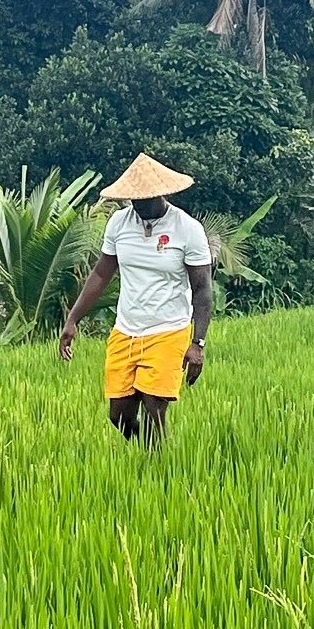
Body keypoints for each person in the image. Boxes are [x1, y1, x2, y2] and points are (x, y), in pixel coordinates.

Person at [60, 153, 213, 445]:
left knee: (155, 406)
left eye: (145, 199)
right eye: (133, 199)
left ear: (161, 194)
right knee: (118, 415)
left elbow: (202, 289)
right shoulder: (119, 223)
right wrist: (73, 318)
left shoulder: (187, 229)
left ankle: (160, 470)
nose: (139, 205)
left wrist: (198, 343)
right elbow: (101, 273)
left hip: (168, 330)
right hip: (126, 330)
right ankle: (152, 452)